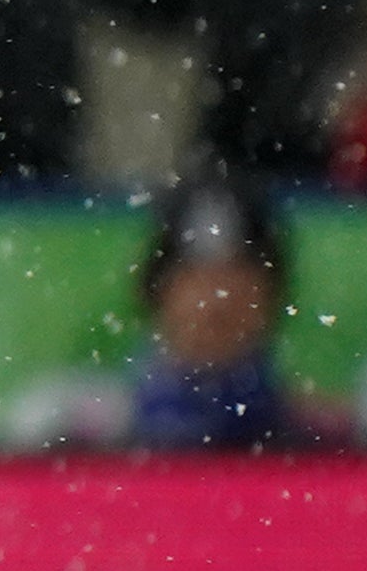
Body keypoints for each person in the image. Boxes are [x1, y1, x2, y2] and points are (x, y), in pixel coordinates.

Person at [124, 174, 313, 450]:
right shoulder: (86, 427)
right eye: (194, 275)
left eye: (237, 273)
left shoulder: (324, 436)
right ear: (157, 291)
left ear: (272, 296)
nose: (216, 298)